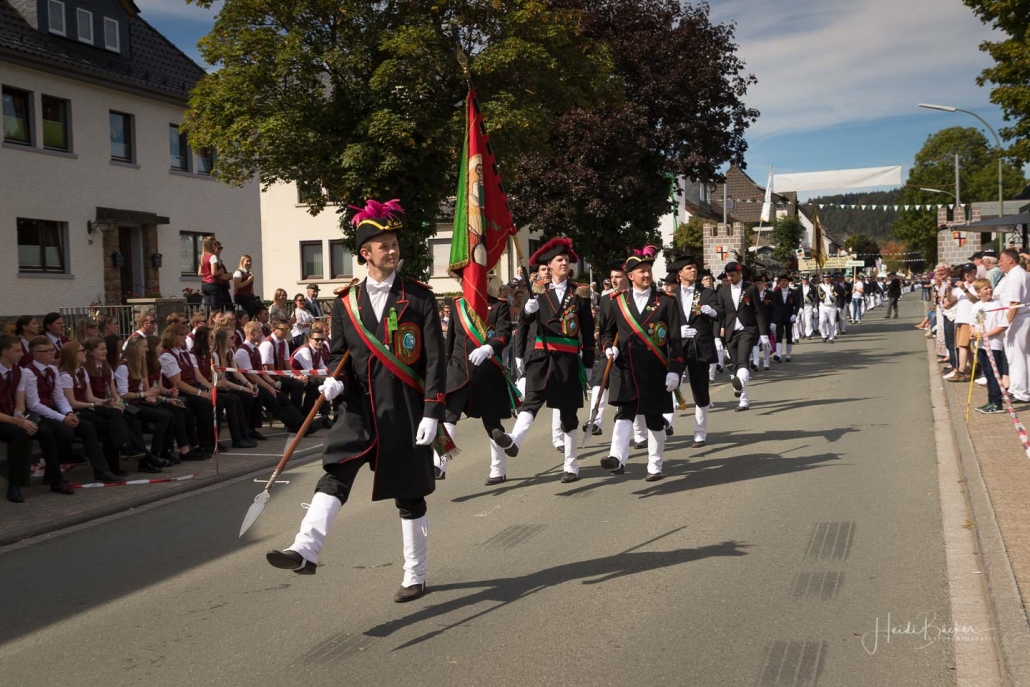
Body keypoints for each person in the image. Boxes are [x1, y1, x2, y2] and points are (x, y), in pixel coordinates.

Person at [267, 198, 446, 604]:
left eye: (395, 244)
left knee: (409, 495)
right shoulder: (345, 302)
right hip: (359, 408)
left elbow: (436, 359)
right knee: (336, 471)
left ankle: (415, 575)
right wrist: (334, 382)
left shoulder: (419, 298)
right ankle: (305, 548)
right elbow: (339, 356)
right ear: (366, 253)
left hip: (404, 409)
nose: (393, 250)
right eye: (384, 245)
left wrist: (433, 411)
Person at [492, 237, 595, 482]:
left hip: (567, 359)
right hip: (541, 356)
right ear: (549, 265)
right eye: (559, 260)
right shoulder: (537, 291)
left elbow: (588, 330)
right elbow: (524, 324)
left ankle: (571, 465)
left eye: (566, 260)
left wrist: (589, 363)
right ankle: (514, 441)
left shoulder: (579, 293)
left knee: (568, 414)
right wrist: (528, 311)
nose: (564, 263)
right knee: (531, 401)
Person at [596, 246, 682, 480]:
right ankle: (616, 457)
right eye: (641, 271)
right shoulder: (617, 302)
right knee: (624, 413)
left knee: (654, 418)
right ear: (630, 276)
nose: (646, 274)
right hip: (625, 368)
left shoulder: (666, 302)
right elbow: (607, 332)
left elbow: (675, 340)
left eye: (648, 270)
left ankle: (655, 464)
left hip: (655, 369)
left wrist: (674, 370)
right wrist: (608, 346)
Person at [441, 284, 516, 484]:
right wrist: (444, 370)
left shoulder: (498, 306)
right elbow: (450, 341)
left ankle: (498, 469)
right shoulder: (457, 305)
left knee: (492, 423)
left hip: (486, 370)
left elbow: (504, 334)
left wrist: (489, 348)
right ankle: (439, 463)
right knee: (448, 414)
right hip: (458, 370)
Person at [23, 335, 121, 483]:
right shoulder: (28, 372)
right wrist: (63, 417)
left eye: (52, 349)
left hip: (54, 410)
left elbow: (59, 397)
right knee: (62, 430)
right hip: (37, 414)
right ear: (36, 354)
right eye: (48, 351)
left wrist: (68, 412)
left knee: (87, 427)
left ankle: (102, 471)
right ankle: (54, 472)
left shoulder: (52, 369)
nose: (53, 353)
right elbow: (34, 405)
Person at [0, 334, 73, 502]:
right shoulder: (24, 371)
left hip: (13, 416)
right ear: (5, 352)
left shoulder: (18, 371)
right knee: (18, 434)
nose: (21, 354)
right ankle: (14, 485)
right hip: (3, 419)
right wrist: (18, 422)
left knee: (45, 431)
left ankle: (55, 479)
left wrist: (20, 417)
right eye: (17, 351)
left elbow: (20, 404)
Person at [57, 341, 145, 476]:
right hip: (75, 411)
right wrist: (98, 404)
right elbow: (73, 403)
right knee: (112, 421)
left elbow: (90, 397)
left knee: (115, 420)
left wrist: (106, 402)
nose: (84, 353)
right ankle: (125, 450)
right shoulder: (65, 375)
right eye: (81, 351)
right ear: (72, 355)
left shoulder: (82, 371)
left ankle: (115, 464)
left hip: (87, 407)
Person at [665, 254, 718, 448]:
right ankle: (667, 424)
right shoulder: (671, 296)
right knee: (669, 384)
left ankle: (700, 432)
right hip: (677, 347)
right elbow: (664, 322)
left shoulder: (706, 293)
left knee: (700, 390)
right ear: (680, 273)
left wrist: (712, 312)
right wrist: (678, 332)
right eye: (689, 268)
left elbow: (718, 312)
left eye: (694, 268)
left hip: (699, 347)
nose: (693, 270)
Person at [115, 338, 184, 464]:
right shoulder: (123, 367)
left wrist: (166, 399)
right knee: (163, 417)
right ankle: (155, 453)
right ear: (136, 349)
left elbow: (147, 391)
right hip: (129, 404)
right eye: (144, 347)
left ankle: (165, 451)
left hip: (138, 401)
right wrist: (145, 394)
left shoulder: (139, 365)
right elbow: (123, 394)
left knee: (170, 416)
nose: (147, 350)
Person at [234, 321, 308, 435]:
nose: (261, 334)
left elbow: (262, 372)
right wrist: (269, 387)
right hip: (251, 384)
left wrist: (271, 382)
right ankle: (295, 426)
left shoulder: (255, 349)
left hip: (260, 382)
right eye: (259, 332)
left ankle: (302, 423)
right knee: (273, 401)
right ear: (251, 333)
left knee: (282, 398)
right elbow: (250, 375)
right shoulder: (242, 351)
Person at [191, 325, 256, 449]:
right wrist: (242, 388)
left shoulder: (227, 352)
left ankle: (245, 433)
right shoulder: (212, 355)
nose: (234, 339)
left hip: (217, 385)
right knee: (231, 399)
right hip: (213, 387)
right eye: (231, 337)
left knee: (243, 397)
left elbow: (235, 372)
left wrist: (248, 385)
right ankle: (231, 438)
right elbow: (215, 378)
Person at [584, 260, 629, 437]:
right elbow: (604, 327)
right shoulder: (606, 299)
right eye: (612, 277)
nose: (614, 281)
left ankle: (636, 430)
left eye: (618, 277)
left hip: (629, 347)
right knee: (600, 380)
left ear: (628, 277)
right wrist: (607, 345)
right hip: (610, 346)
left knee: (625, 385)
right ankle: (594, 420)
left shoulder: (634, 297)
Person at [716, 261, 769, 412]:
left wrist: (764, 334)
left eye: (732, 275)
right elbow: (721, 313)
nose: (730, 278)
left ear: (740, 274)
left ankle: (741, 392)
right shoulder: (723, 291)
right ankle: (742, 397)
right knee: (735, 364)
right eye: (728, 276)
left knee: (743, 359)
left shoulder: (750, 288)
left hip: (747, 330)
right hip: (730, 332)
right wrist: (719, 331)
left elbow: (758, 311)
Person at [995, 248, 1030, 402]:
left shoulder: (1015, 276)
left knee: (1016, 357)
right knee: (1025, 355)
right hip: (1023, 317)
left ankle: (1020, 392)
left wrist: (1005, 323)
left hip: (1018, 318)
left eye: (1001, 260)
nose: (999, 264)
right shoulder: (1021, 273)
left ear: (1010, 260)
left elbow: (1014, 303)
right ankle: (1024, 388)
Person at [971, 279, 1008, 413]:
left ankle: (996, 403)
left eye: (989, 288)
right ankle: (990, 400)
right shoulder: (976, 306)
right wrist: (973, 333)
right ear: (978, 292)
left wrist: (986, 334)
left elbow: (1003, 325)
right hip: (980, 344)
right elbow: (972, 323)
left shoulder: (997, 304)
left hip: (993, 344)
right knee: (987, 372)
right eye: (985, 288)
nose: (989, 290)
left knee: (994, 373)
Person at [290, 321, 333, 429]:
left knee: (326, 383)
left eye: (322, 339)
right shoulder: (305, 350)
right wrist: (328, 378)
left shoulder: (318, 351)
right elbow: (311, 373)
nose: (320, 342)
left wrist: (331, 376)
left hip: (306, 377)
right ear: (310, 340)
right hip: (294, 378)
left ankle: (325, 416)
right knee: (316, 383)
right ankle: (305, 417)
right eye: (317, 339)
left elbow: (323, 368)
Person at [261, 318, 306, 409]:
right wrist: (294, 377)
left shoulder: (284, 342)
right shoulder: (268, 344)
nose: (286, 332)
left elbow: (288, 365)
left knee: (309, 384)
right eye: (283, 329)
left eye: (288, 329)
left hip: (280, 376)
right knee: (297, 384)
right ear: (274, 330)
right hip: (270, 378)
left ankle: (305, 413)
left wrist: (299, 375)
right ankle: (295, 412)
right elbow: (270, 371)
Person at [198, 236, 233, 311]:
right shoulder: (213, 256)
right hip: (213, 284)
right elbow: (214, 272)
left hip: (204, 284)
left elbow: (200, 273)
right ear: (210, 245)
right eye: (214, 244)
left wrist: (207, 274)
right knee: (215, 308)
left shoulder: (202, 256)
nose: (216, 245)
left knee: (208, 308)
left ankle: (208, 318)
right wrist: (221, 271)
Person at [771, 274, 799, 362]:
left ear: (788, 282)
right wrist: (773, 320)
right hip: (779, 317)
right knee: (779, 335)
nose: (783, 282)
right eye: (782, 281)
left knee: (789, 335)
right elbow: (773, 307)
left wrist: (795, 314)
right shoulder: (776, 293)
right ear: (779, 282)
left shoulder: (793, 292)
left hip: (789, 316)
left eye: (785, 281)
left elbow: (797, 304)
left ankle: (788, 355)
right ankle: (778, 355)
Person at [816, 273, 839, 344]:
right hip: (823, 306)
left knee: (832, 322)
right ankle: (824, 335)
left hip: (832, 306)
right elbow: (817, 297)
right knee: (822, 321)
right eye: (825, 277)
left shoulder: (835, 286)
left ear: (830, 278)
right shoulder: (819, 286)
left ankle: (831, 338)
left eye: (828, 277)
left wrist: (840, 306)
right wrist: (815, 306)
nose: (826, 279)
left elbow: (839, 296)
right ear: (823, 278)